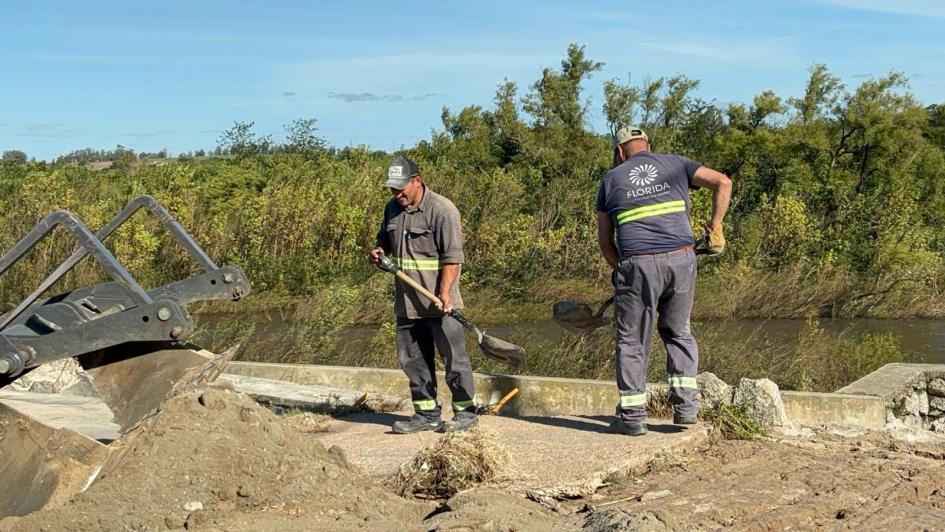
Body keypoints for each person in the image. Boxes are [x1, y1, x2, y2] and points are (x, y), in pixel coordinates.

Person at [596, 126, 731, 436]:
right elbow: (723, 182)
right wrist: (716, 228)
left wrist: (623, 270)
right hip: (683, 260)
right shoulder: (676, 163)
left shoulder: (609, 180)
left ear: (619, 152)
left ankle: (633, 417)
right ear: (648, 146)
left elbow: (605, 242)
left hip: (637, 264)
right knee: (678, 331)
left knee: (632, 340)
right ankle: (685, 409)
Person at [369, 156, 478, 434]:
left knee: (454, 358)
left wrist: (444, 293)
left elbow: (453, 258)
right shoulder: (392, 209)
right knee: (413, 360)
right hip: (407, 302)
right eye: (393, 189)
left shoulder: (443, 210)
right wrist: (380, 250)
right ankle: (426, 414)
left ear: (417, 181)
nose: (398, 194)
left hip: (440, 303)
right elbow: (385, 237)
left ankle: (466, 413)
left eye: (402, 188)